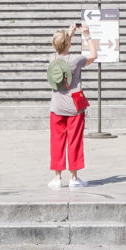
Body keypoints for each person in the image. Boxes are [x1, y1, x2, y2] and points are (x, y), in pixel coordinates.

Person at [46, 22, 97, 188]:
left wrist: (69, 35)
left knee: (57, 142)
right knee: (74, 142)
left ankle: (57, 178)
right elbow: (94, 55)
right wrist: (87, 36)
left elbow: (60, 50)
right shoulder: (76, 60)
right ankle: (74, 178)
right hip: (74, 108)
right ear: (68, 43)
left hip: (56, 107)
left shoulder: (52, 59)